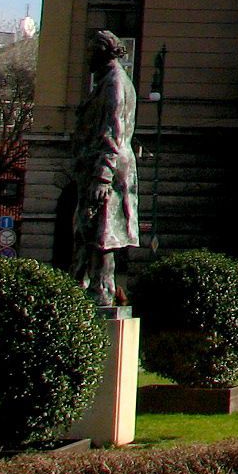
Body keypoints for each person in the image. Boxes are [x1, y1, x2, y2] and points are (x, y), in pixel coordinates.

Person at [70, 30, 138, 308]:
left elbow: (113, 130)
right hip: (101, 164)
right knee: (91, 231)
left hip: (106, 167)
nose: (86, 57)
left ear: (101, 52)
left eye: (90, 51)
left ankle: (100, 291)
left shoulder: (114, 83)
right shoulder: (108, 80)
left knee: (100, 233)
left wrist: (103, 176)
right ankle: (84, 286)